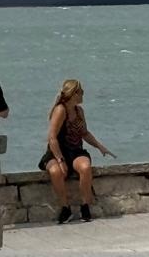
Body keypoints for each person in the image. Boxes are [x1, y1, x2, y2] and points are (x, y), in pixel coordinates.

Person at [41, 79, 114, 224]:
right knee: (56, 172)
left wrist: (99, 146)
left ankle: (85, 205)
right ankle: (65, 207)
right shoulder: (60, 110)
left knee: (85, 167)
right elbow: (52, 138)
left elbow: (84, 133)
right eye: (81, 92)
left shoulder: (79, 111)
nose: (83, 95)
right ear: (74, 93)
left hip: (75, 150)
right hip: (57, 151)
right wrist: (60, 160)